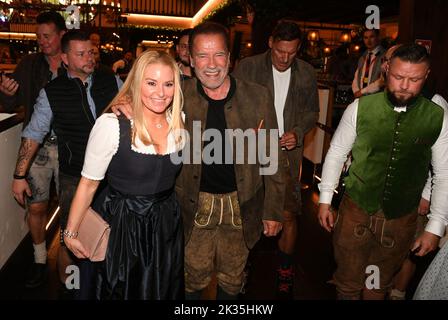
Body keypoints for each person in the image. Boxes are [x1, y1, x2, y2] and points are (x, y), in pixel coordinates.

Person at [112, 22, 286, 300]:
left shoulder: (258, 96)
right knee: (191, 280)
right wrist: (125, 107)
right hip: (192, 205)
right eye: (202, 56)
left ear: (230, 58)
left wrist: (274, 210)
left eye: (219, 55)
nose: (212, 64)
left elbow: (272, 157)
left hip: (242, 205)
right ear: (190, 61)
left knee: (233, 279)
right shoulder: (176, 97)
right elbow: (143, 103)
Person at [318, 43, 448, 300]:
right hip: (356, 210)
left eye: (414, 79)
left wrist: (435, 225)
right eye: (399, 77)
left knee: (376, 284)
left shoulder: (437, 115)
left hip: (400, 217)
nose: (404, 85)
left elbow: (444, 173)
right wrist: (324, 199)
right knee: (348, 282)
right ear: (387, 70)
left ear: (427, 75)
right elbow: (336, 153)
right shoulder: (360, 108)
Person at [64, 50, 184, 300]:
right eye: (151, 83)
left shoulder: (179, 120)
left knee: (160, 288)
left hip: (165, 225)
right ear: (137, 82)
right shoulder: (111, 125)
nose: (161, 93)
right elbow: (87, 185)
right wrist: (70, 232)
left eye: (168, 84)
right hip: (123, 225)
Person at [11, 30, 121, 296]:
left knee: (115, 237)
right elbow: (34, 134)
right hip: (76, 177)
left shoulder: (112, 81)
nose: (89, 58)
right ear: (65, 59)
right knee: (71, 239)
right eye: (81, 54)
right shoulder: (52, 92)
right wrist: (19, 175)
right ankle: (70, 289)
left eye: (91, 52)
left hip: (116, 175)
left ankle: (105, 287)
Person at [233, 20, 319, 298]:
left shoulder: (305, 72)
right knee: (246, 211)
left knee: (287, 214)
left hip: (285, 155)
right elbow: (231, 104)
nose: (285, 58)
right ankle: (240, 271)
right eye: (281, 51)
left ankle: (285, 273)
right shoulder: (247, 67)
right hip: (250, 152)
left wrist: (297, 131)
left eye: (292, 52)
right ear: (270, 43)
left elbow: (311, 112)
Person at [2, 10, 66, 289]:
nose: (41, 41)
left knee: (72, 207)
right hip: (37, 149)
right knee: (37, 206)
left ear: (62, 35)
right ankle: (40, 260)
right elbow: (8, 105)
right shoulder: (29, 64)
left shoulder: (75, 60)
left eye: (47, 36)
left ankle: (69, 260)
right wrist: (6, 92)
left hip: (69, 148)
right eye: (38, 36)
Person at [352, 28, 385, 98]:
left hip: (376, 97)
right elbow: (356, 77)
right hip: (361, 97)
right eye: (366, 38)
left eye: (372, 37)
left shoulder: (384, 56)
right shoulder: (363, 57)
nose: (368, 41)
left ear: (378, 38)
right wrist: (356, 91)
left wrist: (362, 92)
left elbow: (383, 80)